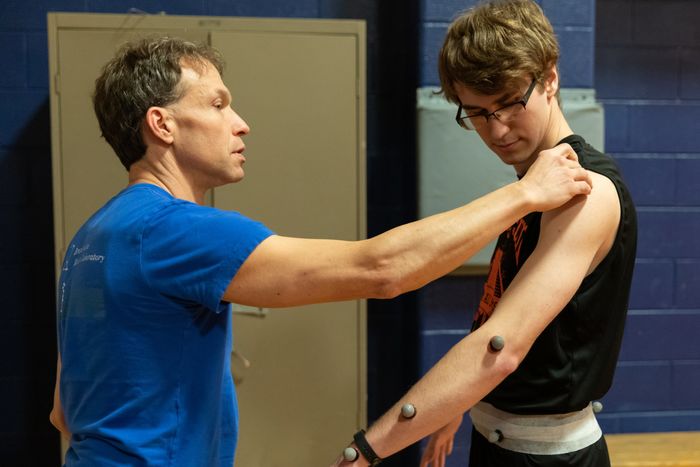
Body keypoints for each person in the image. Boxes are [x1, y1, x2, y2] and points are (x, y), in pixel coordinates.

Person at [49, 36, 592, 466]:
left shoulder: (94, 236)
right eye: (217, 104)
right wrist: (525, 194)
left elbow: (62, 414)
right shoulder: (175, 231)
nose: (241, 123)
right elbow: (381, 269)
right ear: (161, 124)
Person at [331, 1, 636, 466]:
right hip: (495, 439)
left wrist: (367, 452)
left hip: (549, 456)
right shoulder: (534, 185)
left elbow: (504, 346)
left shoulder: (585, 190)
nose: (496, 129)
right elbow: (501, 302)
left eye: (511, 103)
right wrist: (457, 403)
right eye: (475, 112)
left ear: (550, 79)